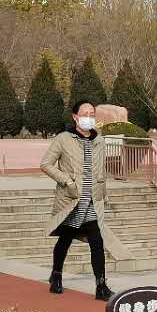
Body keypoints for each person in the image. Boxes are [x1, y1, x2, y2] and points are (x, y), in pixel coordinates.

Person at [40, 100, 115, 301]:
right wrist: (67, 181)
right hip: (72, 201)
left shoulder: (100, 140)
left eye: (92, 114)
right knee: (65, 239)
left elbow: (100, 171)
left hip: (91, 201)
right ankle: (56, 274)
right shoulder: (63, 139)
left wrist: (104, 195)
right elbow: (46, 164)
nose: (89, 117)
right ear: (75, 117)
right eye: (84, 114)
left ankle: (101, 286)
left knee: (97, 242)